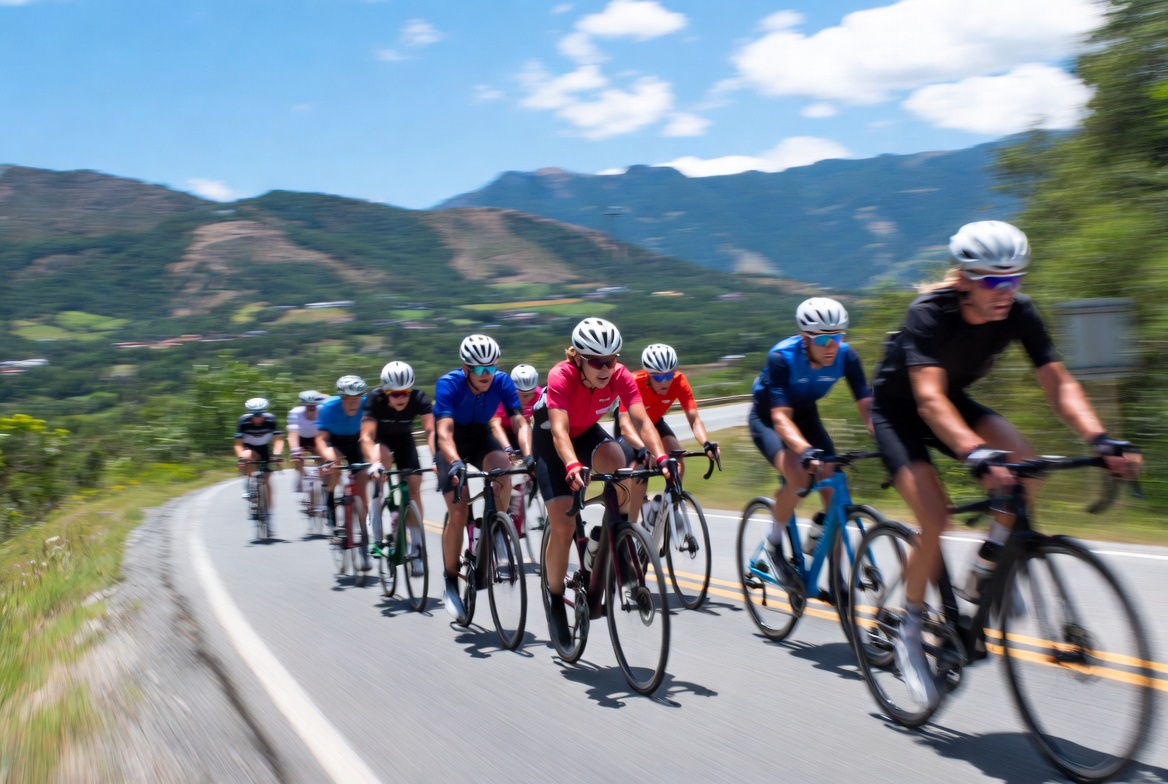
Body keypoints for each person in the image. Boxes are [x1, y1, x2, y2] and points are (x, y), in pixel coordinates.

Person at [871, 220, 1141, 708]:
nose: (1006, 290)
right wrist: (974, 451)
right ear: (965, 278)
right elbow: (928, 399)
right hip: (899, 412)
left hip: (951, 401)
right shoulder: (928, 313)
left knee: (1024, 466)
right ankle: (908, 630)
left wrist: (1100, 438)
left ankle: (986, 566)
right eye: (994, 280)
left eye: (1015, 278)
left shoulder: (1019, 311)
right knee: (936, 517)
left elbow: (1058, 383)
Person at [535, 318, 672, 648]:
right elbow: (559, 431)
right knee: (564, 527)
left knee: (617, 460)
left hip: (586, 433)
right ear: (578, 358)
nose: (606, 368)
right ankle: (555, 600)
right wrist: (572, 464)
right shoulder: (561, 376)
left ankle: (615, 537)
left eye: (611, 360)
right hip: (552, 441)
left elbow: (642, 420)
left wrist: (661, 457)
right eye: (597, 362)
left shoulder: (620, 376)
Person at [748, 298, 873, 580]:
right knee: (799, 478)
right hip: (768, 419)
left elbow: (866, 404)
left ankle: (836, 576)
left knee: (834, 485)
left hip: (806, 416)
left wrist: (883, 434)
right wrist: (804, 451)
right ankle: (772, 542)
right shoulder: (782, 358)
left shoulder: (846, 356)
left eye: (837, 337)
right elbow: (781, 418)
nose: (832, 346)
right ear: (805, 339)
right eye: (824, 339)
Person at [435, 335, 534, 619]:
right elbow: (444, 432)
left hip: (480, 438)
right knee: (458, 511)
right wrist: (455, 462)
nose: (486, 374)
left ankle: (493, 530)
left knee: (503, 471)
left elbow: (519, 421)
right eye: (479, 369)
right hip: (452, 443)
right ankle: (450, 580)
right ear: (466, 369)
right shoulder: (449, 384)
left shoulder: (502, 382)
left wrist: (529, 456)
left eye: (491, 368)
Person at [613, 343, 720, 521]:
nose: (665, 382)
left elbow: (694, 419)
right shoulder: (634, 382)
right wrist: (644, 449)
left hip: (655, 422)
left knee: (677, 457)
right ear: (648, 374)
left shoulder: (679, 381)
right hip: (631, 427)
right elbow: (625, 426)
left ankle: (669, 510)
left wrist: (706, 443)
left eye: (669, 375)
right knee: (640, 471)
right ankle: (631, 527)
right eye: (658, 377)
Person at [361, 361, 435, 564]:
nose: (401, 397)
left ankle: (417, 545)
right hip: (381, 442)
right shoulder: (375, 399)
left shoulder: (419, 397)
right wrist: (374, 463)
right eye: (395, 394)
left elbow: (430, 430)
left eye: (405, 392)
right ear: (386, 392)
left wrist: (437, 458)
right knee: (380, 469)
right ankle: (376, 533)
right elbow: (366, 436)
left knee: (414, 488)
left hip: (404, 442)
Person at [317, 375, 374, 571]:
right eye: (348, 400)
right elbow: (321, 439)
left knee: (363, 486)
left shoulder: (367, 405)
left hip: (356, 443)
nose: (352, 404)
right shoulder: (328, 408)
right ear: (341, 398)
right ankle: (330, 502)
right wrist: (328, 459)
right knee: (334, 466)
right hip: (334, 443)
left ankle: (364, 540)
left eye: (356, 399)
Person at [489, 364, 543, 526]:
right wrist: (507, 450)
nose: (525, 399)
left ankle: (529, 495)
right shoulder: (502, 396)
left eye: (530, 394)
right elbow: (495, 426)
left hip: (524, 432)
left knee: (534, 463)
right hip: (502, 433)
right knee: (504, 469)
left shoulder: (540, 395)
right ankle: (495, 508)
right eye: (520, 395)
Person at [234, 397, 285, 531]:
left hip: (263, 448)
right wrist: (241, 458)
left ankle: (268, 513)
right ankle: (247, 484)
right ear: (250, 413)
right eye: (254, 414)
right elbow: (238, 444)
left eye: (259, 414)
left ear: (264, 412)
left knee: (267, 479)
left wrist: (277, 454)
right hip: (248, 447)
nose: (257, 417)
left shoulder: (270, 419)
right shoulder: (243, 421)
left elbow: (278, 440)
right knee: (246, 457)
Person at [287, 390, 326, 494]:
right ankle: (300, 476)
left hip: (316, 438)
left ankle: (323, 477)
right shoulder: (295, 412)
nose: (311, 408)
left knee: (324, 456)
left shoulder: (323, 411)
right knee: (297, 456)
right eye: (308, 406)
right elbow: (292, 435)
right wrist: (295, 450)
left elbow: (326, 431)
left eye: (313, 406)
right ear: (303, 405)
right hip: (300, 438)